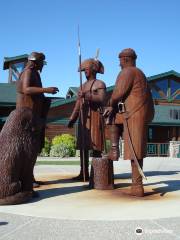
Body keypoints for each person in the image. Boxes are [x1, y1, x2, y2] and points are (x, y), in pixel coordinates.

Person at [104, 48, 154, 197]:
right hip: (135, 113)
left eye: (120, 61)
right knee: (113, 118)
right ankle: (114, 149)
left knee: (135, 149)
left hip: (135, 114)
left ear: (125, 59)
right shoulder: (141, 73)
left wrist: (110, 104)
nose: (119, 64)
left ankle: (137, 185)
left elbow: (118, 92)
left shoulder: (128, 72)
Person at [16, 52, 59, 187]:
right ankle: (24, 179)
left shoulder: (35, 73)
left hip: (34, 116)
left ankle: (29, 177)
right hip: (26, 116)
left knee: (33, 148)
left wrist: (44, 99)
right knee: (26, 147)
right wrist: (46, 90)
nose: (42, 66)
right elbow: (26, 89)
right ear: (36, 62)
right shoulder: (28, 72)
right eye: (41, 63)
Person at [68, 58, 106, 181]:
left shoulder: (99, 84)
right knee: (84, 146)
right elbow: (78, 104)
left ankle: (96, 173)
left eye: (87, 70)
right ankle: (83, 172)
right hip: (84, 119)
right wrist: (73, 118)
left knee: (96, 146)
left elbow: (101, 99)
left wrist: (88, 95)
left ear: (93, 70)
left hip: (95, 117)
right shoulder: (82, 86)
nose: (85, 72)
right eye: (83, 71)